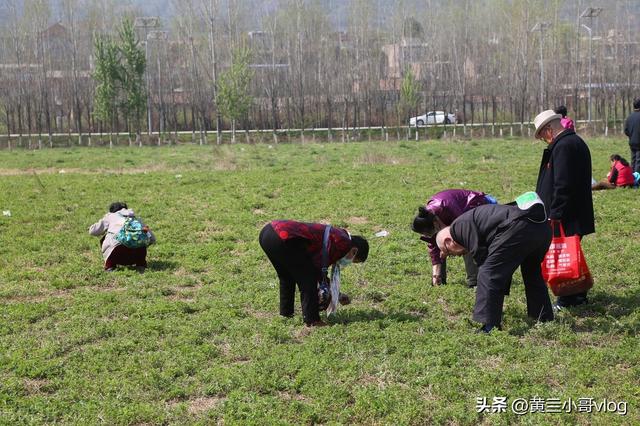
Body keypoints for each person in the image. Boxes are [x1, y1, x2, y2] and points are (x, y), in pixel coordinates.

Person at [435, 202, 554, 333]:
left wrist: (492, 286)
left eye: (450, 253)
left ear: (448, 242)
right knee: (532, 272)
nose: (456, 255)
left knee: (488, 272)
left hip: (519, 227)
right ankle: (543, 316)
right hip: (542, 228)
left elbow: (482, 257)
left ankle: (489, 326)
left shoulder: (458, 227)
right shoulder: (467, 222)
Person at [534, 110, 595, 307]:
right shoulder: (569, 143)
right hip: (571, 212)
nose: (544, 139)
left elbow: (563, 184)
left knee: (565, 255)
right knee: (570, 254)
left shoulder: (565, 147)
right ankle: (577, 295)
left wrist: (555, 214)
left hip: (568, 214)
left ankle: (571, 298)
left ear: (549, 129)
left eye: (542, 135)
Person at [259, 220, 369, 326]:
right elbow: (318, 269)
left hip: (268, 233)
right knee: (308, 279)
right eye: (354, 260)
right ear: (354, 251)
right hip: (283, 237)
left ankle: (286, 313)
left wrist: (337, 294)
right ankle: (312, 320)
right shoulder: (343, 244)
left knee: (287, 276)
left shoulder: (340, 235)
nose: (348, 262)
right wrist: (332, 293)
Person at [411, 189, 497, 287]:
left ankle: (474, 282)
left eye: (427, 233)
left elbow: (465, 232)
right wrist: (436, 270)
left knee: (465, 241)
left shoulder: (447, 206)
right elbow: (433, 244)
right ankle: (440, 280)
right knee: (442, 243)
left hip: (477, 206)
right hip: (456, 219)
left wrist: (452, 245)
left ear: (434, 224)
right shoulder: (428, 219)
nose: (427, 236)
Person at [89, 202, 156, 272]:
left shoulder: (111, 216)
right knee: (140, 239)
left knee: (107, 237)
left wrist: (106, 217)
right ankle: (141, 264)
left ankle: (110, 266)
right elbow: (152, 239)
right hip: (135, 256)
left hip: (117, 253)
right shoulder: (136, 219)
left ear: (112, 210)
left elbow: (93, 231)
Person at [624, 98, 640, 173]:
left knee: (633, 160)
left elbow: (626, 131)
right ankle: (637, 180)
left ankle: (632, 176)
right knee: (638, 161)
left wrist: (632, 136)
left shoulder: (629, 117)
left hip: (632, 142)